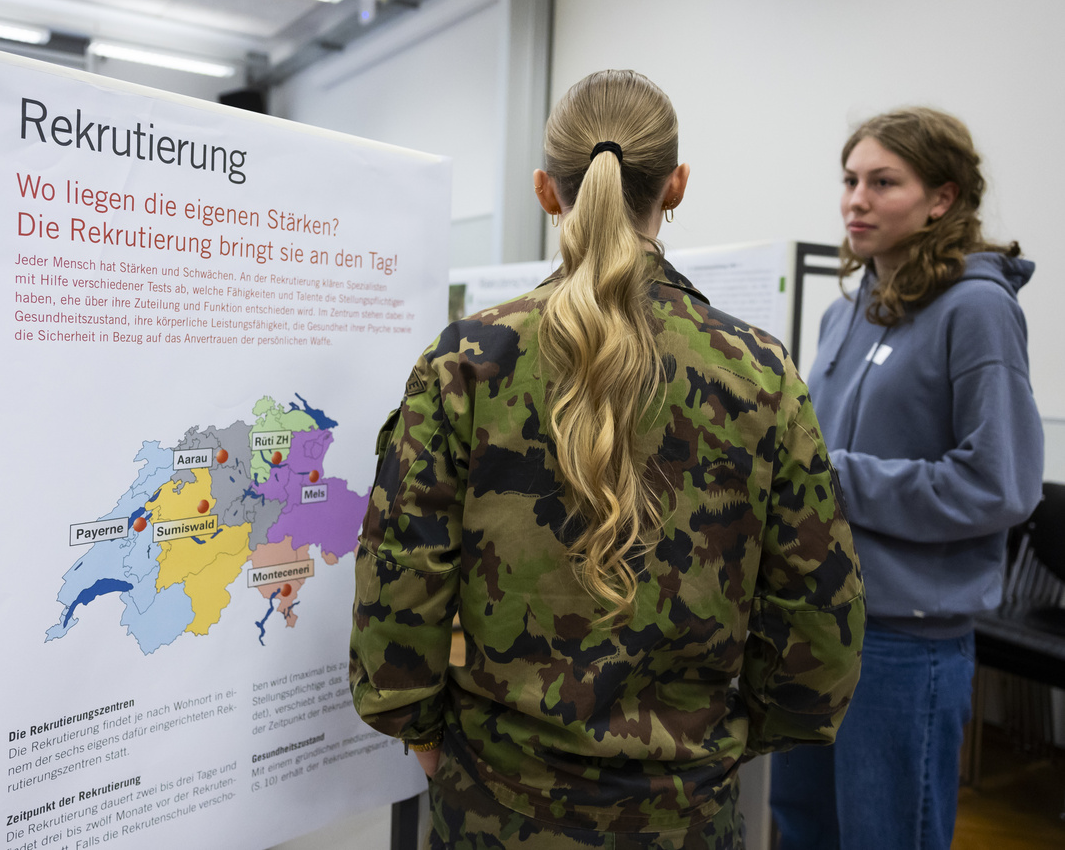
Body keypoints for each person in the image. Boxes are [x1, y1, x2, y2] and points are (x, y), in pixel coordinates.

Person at [349, 69, 865, 850]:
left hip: (498, 804)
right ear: (678, 185)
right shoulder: (759, 373)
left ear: (544, 191)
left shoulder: (467, 362)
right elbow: (819, 622)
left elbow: (400, 580)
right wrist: (717, 748)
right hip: (683, 810)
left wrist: (421, 730)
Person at [769, 108, 1045, 850]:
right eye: (850, 179)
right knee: (802, 828)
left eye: (882, 182)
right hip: (812, 624)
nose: (854, 199)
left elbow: (1002, 482)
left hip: (901, 643)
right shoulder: (841, 315)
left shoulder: (978, 309)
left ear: (942, 199)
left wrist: (837, 478)